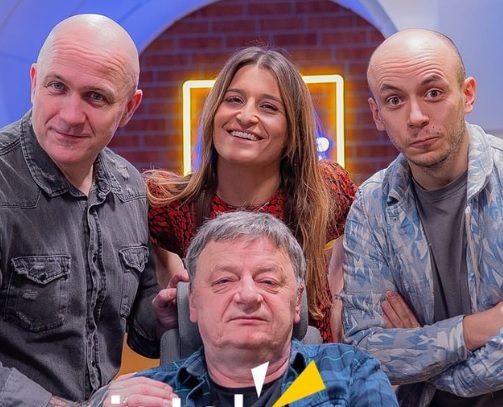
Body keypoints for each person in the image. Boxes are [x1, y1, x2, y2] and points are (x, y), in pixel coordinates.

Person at [0, 14, 178, 406]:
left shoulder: (130, 189)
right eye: (57, 86)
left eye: (95, 97)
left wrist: (164, 315)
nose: (69, 115)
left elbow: (139, 333)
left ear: (129, 109)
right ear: (34, 82)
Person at [144, 46, 357, 343]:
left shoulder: (326, 190)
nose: (245, 116)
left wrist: (346, 300)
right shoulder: (170, 202)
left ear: (292, 131)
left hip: (312, 366)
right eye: (234, 100)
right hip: (221, 365)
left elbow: (367, 242)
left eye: (268, 107)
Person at [341, 28, 503, 406]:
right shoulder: (371, 206)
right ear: (377, 115)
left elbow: (394, 356)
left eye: (433, 93)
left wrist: (427, 363)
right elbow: (366, 348)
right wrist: (470, 330)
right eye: (395, 100)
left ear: (467, 95)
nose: (415, 117)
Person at [91, 211, 398, 407]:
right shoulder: (146, 393)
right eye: (224, 281)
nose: (248, 295)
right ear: (193, 303)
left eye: (268, 281)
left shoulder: (351, 372)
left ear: (297, 302)